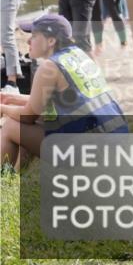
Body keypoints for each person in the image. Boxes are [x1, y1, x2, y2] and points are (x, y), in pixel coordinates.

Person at [1, 14, 126, 170]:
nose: (28, 41)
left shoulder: (49, 67)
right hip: (116, 146)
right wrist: (11, 98)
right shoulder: (79, 55)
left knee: (11, 127)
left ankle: (6, 182)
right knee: (36, 122)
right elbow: (50, 104)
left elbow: (28, 115)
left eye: (33, 36)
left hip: (92, 155)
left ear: (51, 41)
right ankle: (11, 181)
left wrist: (3, 109)